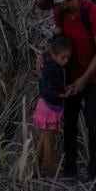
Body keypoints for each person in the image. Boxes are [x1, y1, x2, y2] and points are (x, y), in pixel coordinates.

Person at [36, 0, 96, 180]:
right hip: (70, 75)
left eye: (53, 5)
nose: (52, 9)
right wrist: (44, 55)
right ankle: (70, 170)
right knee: (69, 123)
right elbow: (57, 42)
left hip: (94, 77)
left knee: (92, 122)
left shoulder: (92, 13)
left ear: (62, 3)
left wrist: (84, 79)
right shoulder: (59, 14)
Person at [33, 37, 72, 177]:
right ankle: (51, 173)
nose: (66, 61)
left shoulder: (56, 66)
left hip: (51, 106)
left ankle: (35, 168)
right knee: (49, 142)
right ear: (54, 55)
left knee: (44, 139)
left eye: (68, 58)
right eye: (63, 58)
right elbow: (46, 89)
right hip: (49, 107)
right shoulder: (50, 67)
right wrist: (61, 95)